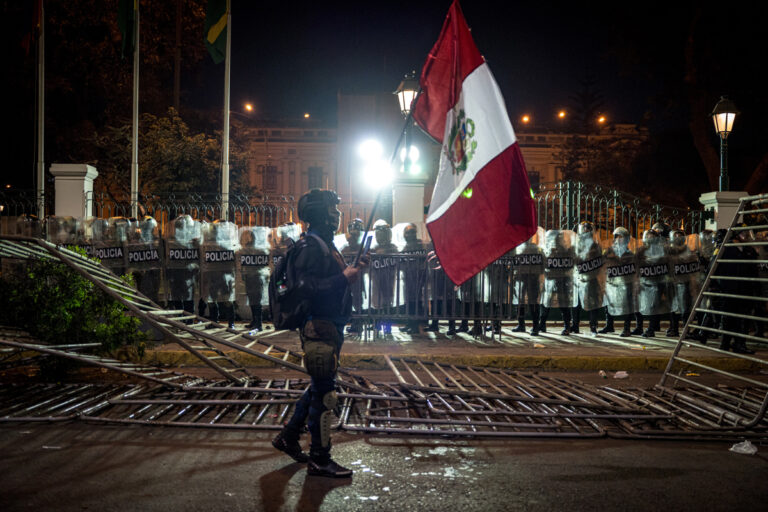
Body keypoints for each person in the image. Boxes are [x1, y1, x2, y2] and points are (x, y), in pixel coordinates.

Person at [272, 188, 367, 478]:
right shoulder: (310, 246)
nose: (337, 214)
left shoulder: (324, 243)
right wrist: (343, 278)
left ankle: (289, 436)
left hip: (331, 324)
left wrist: (353, 271)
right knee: (325, 394)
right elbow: (304, 287)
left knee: (319, 386)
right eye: (332, 210)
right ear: (319, 214)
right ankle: (319, 459)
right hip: (318, 326)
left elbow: (328, 278)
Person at [600, 227, 637, 337]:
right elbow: (603, 262)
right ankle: (609, 325)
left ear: (626, 239)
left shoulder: (631, 252)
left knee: (628, 304)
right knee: (608, 302)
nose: (618, 239)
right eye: (617, 237)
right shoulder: (609, 251)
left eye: (621, 237)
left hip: (626, 282)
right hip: (612, 281)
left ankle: (627, 328)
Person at [537, 229, 576, 335]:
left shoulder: (565, 250)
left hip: (561, 279)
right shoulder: (548, 250)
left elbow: (570, 264)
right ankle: (543, 324)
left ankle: (566, 326)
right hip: (551, 279)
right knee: (546, 302)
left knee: (562, 303)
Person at [572, 221, 605, 336]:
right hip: (579, 277)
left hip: (591, 278)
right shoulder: (577, 244)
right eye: (583, 229)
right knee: (576, 303)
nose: (585, 231)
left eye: (587, 229)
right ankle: (575, 325)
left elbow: (598, 262)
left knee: (593, 303)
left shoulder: (595, 245)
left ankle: (593, 326)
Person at [237, 226, 271, 331]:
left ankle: (258, 324)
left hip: (256, 277)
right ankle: (255, 321)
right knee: (252, 300)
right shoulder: (251, 250)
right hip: (250, 277)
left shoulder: (257, 250)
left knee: (256, 300)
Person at [511, 233, 544, 335]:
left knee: (520, 301)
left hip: (521, 277)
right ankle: (535, 327)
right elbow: (544, 263)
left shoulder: (518, 249)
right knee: (532, 302)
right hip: (532, 277)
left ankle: (522, 325)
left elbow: (513, 263)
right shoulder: (537, 249)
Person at [400, 223, 428, 334]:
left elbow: (424, 262)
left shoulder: (420, 245)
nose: (410, 235)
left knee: (416, 302)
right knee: (409, 302)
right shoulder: (405, 247)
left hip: (418, 278)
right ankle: (410, 323)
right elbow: (401, 262)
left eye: (412, 232)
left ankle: (415, 326)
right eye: (408, 232)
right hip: (408, 278)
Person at [341, 218, 366, 334]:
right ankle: (351, 321)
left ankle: (358, 323)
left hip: (358, 279)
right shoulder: (345, 249)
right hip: (347, 279)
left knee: (358, 301)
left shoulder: (362, 248)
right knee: (348, 301)